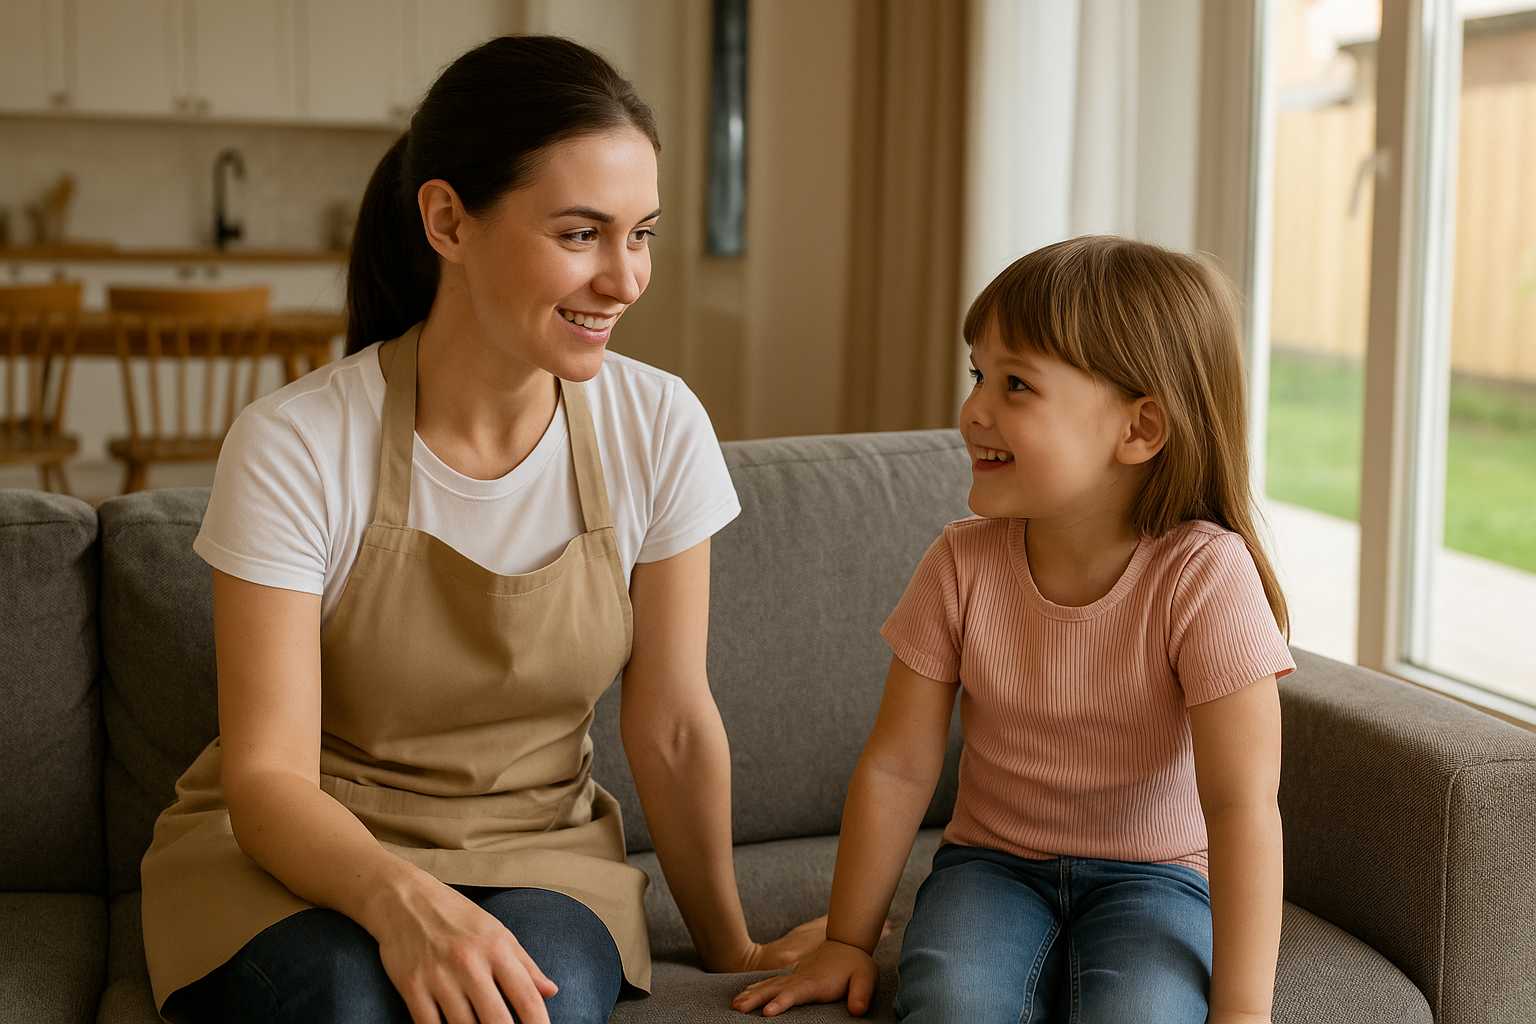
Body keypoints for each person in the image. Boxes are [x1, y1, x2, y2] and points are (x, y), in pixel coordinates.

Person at [140, 35, 821, 1024]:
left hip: (539, 853)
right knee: (346, 1000)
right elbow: (267, 775)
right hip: (300, 842)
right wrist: (403, 900)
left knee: (524, 1005)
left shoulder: (659, 425)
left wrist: (734, 944)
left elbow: (671, 725)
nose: (626, 280)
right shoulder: (295, 443)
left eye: (642, 234)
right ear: (449, 221)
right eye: (582, 234)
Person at [733, 235, 1295, 1024]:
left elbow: (1242, 806)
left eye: (1017, 384)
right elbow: (897, 767)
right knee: (952, 1006)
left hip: (1159, 876)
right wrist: (848, 941)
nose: (973, 410)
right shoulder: (959, 562)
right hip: (989, 869)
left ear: (1140, 430)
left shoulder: (1205, 576)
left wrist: (1243, 1010)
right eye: (978, 375)